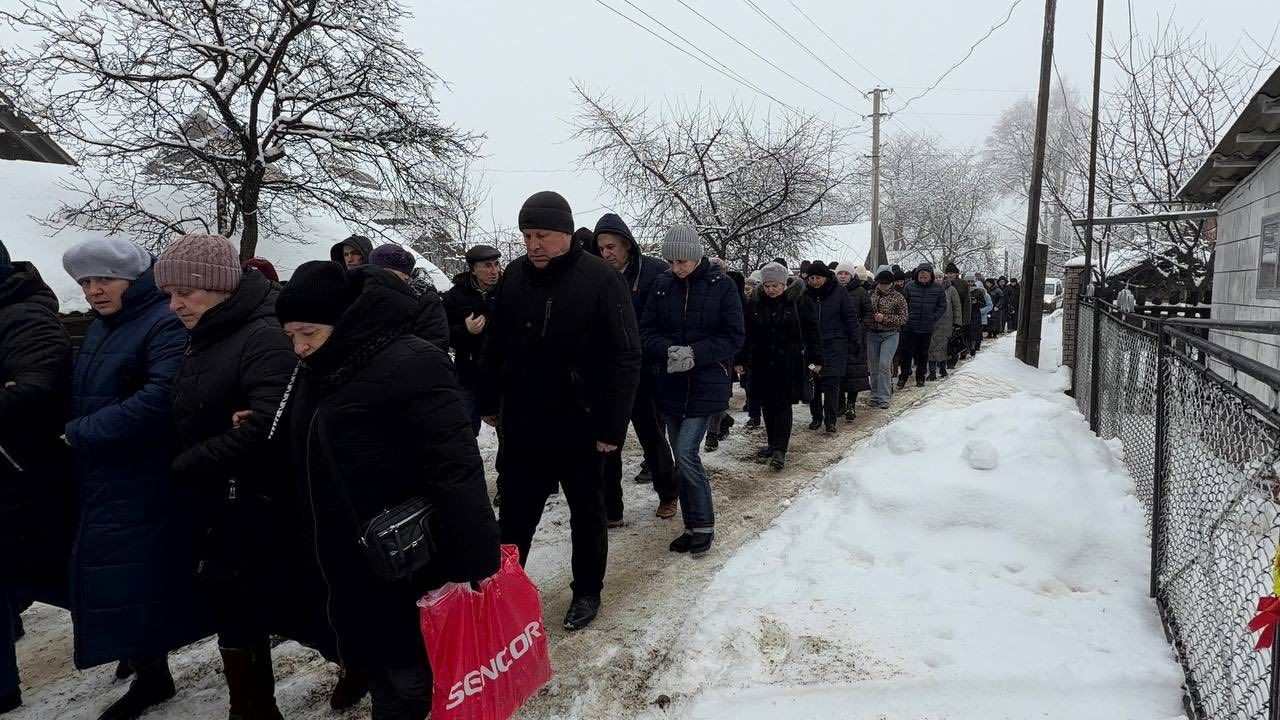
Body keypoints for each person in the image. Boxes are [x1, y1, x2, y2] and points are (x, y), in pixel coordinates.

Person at [272, 261, 500, 720]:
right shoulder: (318, 366)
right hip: (347, 561)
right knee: (382, 676)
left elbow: (455, 468)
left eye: (308, 332)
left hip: (409, 562)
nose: (298, 347)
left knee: (412, 680)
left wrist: (474, 564)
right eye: (290, 335)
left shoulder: (413, 361)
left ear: (345, 319)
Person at [479, 191, 640, 631]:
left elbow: (626, 354)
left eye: (543, 235)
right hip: (525, 420)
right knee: (514, 513)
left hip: (581, 422)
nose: (533, 244)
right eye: (528, 235)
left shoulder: (601, 279)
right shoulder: (514, 276)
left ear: (566, 234)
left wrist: (612, 424)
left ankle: (587, 591)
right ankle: (503, 591)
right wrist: (489, 399)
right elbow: (495, 343)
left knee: (587, 512)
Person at [62, 238, 209, 720]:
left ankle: (152, 673)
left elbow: (160, 399)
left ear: (133, 278)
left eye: (104, 279)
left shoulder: (162, 322)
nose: (94, 290)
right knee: (120, 576)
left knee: (141, 575)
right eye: (85, 282)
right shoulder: (107, 327)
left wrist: (81, 432)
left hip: (145, 476)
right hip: (104, 474)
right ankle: (144, 659)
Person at [155, 234, 297, 720]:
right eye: (168, 294)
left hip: (261, 501)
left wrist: (188, 462)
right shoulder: (208, 330)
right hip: (220, 499)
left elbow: (267, 425)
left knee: (291, 606)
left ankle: (363, 670)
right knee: (232, 605)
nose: (174, 305)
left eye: (185, 292)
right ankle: (252, 707)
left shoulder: (261, 334)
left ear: (218, 286)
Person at [640, 225, 744, 556]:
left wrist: (695, 353)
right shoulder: (661, 286)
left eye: (681, 262)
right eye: (670, 262)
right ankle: (690, 525)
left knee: (686, 453)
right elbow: (646, 331)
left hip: (705, 383)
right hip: (670, 384)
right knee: (680, 457)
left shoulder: (722, 286)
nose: (675, 268)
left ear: (696, 256)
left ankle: (704, 525)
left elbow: (734, 336)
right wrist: (668, 350)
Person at [0, 239, 72, 716]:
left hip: (24, 469)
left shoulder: (23, 313)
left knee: (60, 575)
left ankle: (142, 643)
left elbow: (38, 388)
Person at [590, 213, 679, 524]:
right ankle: (612, 509)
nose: (606, 253)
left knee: (652, 437)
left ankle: (668, 493)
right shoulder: (596, 275)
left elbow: (667, 319)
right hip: (606, 375)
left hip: (644, 372)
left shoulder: (654, 272)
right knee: (606, 444)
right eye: (601, 248)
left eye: (611, 246)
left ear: (626, 244)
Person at [736, 262, 820, 470]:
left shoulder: (797, 302)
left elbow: (812, 331)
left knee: (782, 406)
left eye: (775, 285)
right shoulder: (755, 303)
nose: (771, 290)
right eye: (767, 285)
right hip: (761, 362)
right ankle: (772, 444)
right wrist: (740, 358)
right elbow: (745, 333)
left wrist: (817, 359)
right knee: (766, 404)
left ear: (783, 284)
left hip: (788, 363)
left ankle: (780, 449)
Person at [441, 245, 502, 435]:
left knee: (507, 431)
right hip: (469, 374)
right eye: (487, 266)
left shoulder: (508, 290)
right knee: (465, 431)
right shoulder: (455, 296)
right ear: (474, 269)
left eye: (497, 264)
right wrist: (465, 330)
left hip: (502, 374)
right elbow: (441, 334)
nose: (494, 271)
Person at [802, 260, 860, 433]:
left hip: (835, 344)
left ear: (826, 277)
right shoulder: (805, 295)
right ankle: (816, 417)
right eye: (811, 278)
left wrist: (855, 339)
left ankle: (831, 419)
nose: (814, 281)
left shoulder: (839, 292)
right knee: (813, 380)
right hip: (812, 347)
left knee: (832, 383)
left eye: (818, 277)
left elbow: (850, 316)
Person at [368, 244, 449, 352]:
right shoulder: (371, 298)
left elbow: (435, 346)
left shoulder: (426, 301)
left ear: (405, 276)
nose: (380, 279)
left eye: (386, 274)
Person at [897, 264, 947, 390]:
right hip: (910, 326)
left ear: (931, 276)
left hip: (927, 327)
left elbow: (942, 306)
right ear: (917, 276)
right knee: (906, 352)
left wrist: (933, 317)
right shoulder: (909, 287)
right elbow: (903, 304)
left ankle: (920, 377)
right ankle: (903, 376)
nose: (923, 277)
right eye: (921, 275)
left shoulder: (938, 289)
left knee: (923, 353)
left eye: (926, 275)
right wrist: (906, 318)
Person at [866, 268, 908, 409]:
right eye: (881, 283)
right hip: (872, 333)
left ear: (892, 283)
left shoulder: (898, 297)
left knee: (884, 364)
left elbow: (903, 318)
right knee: (873, 366)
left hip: (891, 334)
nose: (883, 286)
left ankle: (884, 396)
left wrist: (885, 318)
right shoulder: (870, 295)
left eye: (886, 283)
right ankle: (874, 394)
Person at [837, 262, 872, 420]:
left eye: (846, 273)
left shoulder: (861, 292)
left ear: (852, 275)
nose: (843, 276)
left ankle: (851, 404)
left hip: (855, 339)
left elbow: (868, 314)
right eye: (840, 273)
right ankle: (840, 403)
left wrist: (860, 329)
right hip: (836, 338)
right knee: (837, 373)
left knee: (854, 374)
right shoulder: (832, 291)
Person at [927, 268, 964, 380]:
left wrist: (957, 322)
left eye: (940, 277)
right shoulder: (929, 289)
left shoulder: (951, 290)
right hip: (932, 322)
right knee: (931, 348)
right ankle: (932, 371)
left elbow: (957, 307)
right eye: (936, 277)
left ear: (943, 278)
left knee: (944, 347)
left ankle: (943, 369)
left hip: (947, 323)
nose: (938, 279)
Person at [943, 263, 970, 367]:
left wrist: (965, 319)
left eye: (952, 273)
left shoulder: (963, 284)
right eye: (948, 273)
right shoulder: (943, 283)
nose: (950, 275)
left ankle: (953, 360)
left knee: (955, 339)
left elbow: (966, 303)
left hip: (959, 314)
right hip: (946, 315)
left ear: (956, 274)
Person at [969, 274, 992, 354]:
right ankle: (972, 348)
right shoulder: (969, 292)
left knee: (977, 334)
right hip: (974, 316)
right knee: (974, 333)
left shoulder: (986, 295)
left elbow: (989, 306)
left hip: (982, 317)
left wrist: (981, 310)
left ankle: (976, 348)